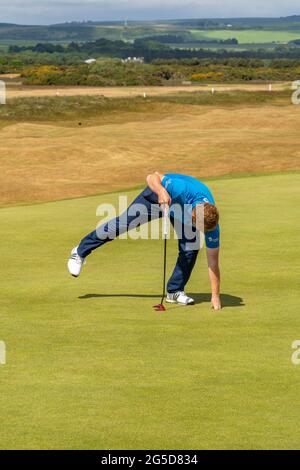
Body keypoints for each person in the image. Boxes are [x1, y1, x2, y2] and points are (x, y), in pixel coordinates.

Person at [68, 172, 221, 310]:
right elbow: (152, 176)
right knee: (123, 224)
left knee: (191, 247)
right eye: (199, 228)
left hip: (181, 209)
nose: (202, 232)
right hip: (159, 196)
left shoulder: (210, 223)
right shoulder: (180, 188)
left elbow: (213, 262)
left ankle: (174, 291)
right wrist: (161, 191)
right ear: (194, 216)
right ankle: (80, 251)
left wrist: (215, 296)